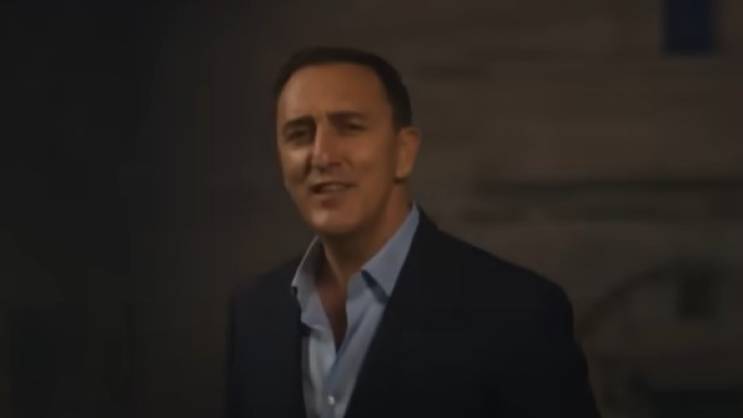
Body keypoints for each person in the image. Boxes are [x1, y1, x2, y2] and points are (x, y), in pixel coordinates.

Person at [225, 46, 600, 418]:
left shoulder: (519, 314)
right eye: (299, 134)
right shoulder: (255, 313)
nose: (322, 155)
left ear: (404, 152)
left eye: (350, 127)